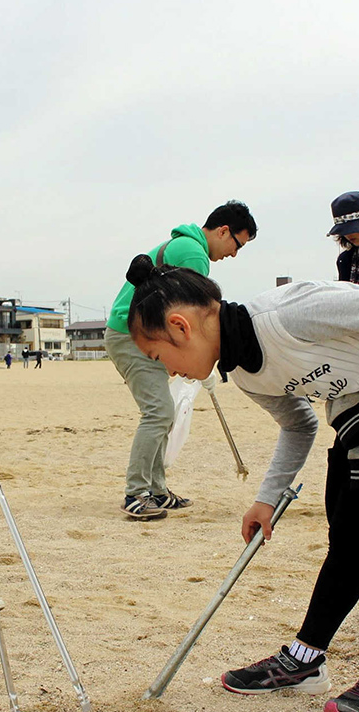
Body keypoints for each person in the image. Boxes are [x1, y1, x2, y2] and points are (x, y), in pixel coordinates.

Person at [120, 256, 359, 712]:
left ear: (180, 327)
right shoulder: (243, 372)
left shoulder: (285, 314)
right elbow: (298, 426)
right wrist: (266, 499)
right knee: (346, 532)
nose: (171, 372)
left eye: (160, 357)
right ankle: (306, 659)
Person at [103, 201, 257, 521]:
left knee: (164, 412)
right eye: (237, 244)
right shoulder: (193, 254)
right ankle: (136, 493)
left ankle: (156, 489)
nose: (234, 253)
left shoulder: (184, 245)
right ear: (223, 231)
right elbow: (194, 318)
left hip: (140, 333)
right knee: (158, 411)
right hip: (132, 335)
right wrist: (205, 364)